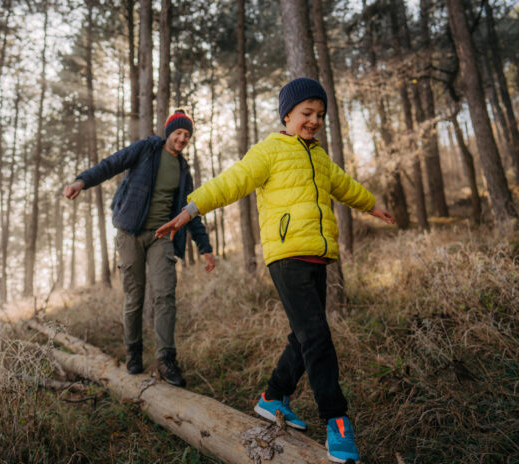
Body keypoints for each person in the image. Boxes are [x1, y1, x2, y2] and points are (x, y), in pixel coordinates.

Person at [155, 78, 395, 463]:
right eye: (306, 113)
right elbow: (230, 182)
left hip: (318, 255)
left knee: (304, 336)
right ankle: (337, 418)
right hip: (287, 256)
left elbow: (344, 186)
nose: (314, 120)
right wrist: (188, 211)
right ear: (287, 114)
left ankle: (272, 397)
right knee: (317, 335)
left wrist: (371, 206)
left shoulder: (319, 156)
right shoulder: (269, 151)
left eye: (320, 115)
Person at [63, 109, 215, 388]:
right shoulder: (147, 149)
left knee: (165, 294)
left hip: (162, 237)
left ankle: (166, 359)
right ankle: (133, 351)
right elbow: (112, 164)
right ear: (168, 132)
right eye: (178, 132)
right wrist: (81, 181)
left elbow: (190, 211)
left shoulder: (183, 171)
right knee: (134, 297)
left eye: (187, 135)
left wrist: (205, 247)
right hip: (130, 233)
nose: (182, 138)